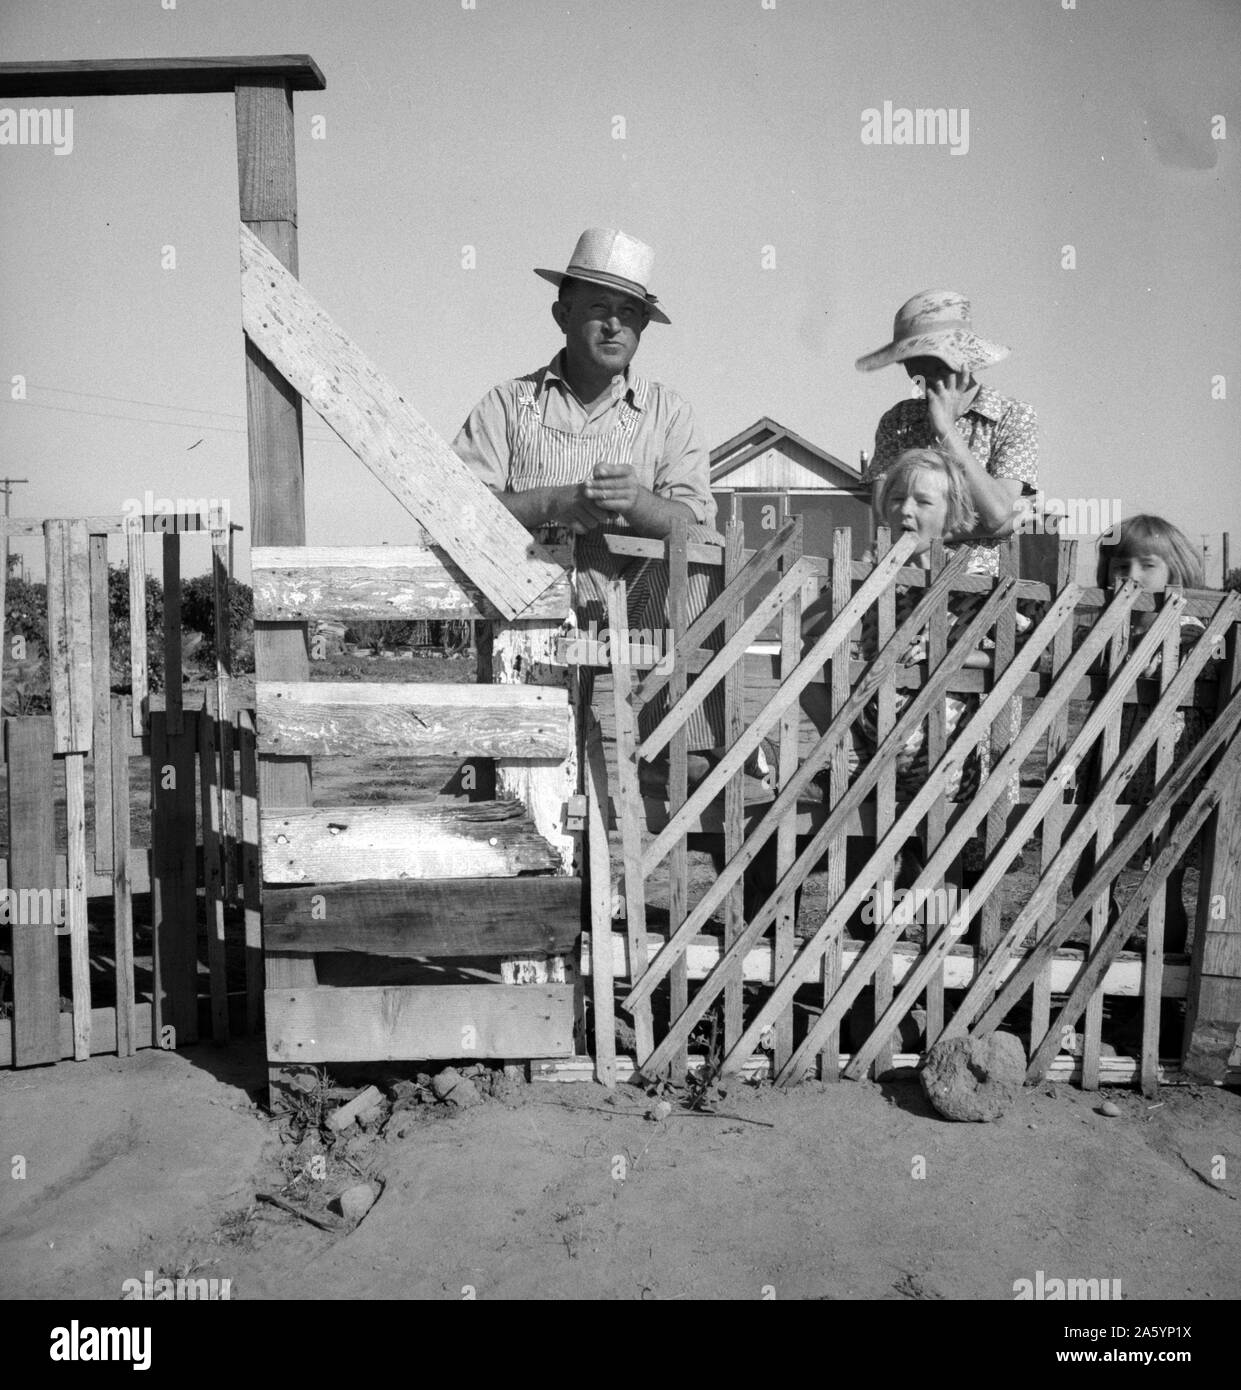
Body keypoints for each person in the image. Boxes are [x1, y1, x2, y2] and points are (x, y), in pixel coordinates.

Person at [452, 227, 770, 790]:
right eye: (599, 307)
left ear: (644, 327)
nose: (615, 324)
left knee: (700, 556)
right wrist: (553, 500)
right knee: (531, 778)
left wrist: (640, 503)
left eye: (630, 312)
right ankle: (516, 774)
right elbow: (457, 512)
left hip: (636, 615)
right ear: (562, 313)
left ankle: (683, 746)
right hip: (531, 608)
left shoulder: (668, 413)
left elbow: (695, 524)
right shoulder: (507, 404)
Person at [1074, 514, 1219, 952]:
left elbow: (1206, 666)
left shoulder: (1189, 630)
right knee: (1092, 873)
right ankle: (1112, 948)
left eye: (1146, 565)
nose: (1131, 577)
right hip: (1111, 765)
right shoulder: (1108, 626)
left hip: (1164, 768)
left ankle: (1163, 966)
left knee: (1164, 880)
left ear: (1176, 573)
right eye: (1121, 567)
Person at [856, 289, 1039, 574]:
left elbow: (1000, 512)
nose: (921, 371)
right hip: (907, 583)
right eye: (910, 361)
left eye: (931, 358)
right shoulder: (898, 420)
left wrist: (946, 431)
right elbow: (887, 521)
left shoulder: (1013, 417)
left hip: (976, 594)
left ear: (963, 357)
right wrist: (987, 527)